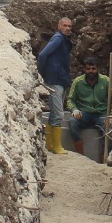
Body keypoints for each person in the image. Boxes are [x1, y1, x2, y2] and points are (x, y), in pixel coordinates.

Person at [36, 17, 74, 150]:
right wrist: (41, 73)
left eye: (70, 26)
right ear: (59, 26)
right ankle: (57, 146)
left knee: (54, 113)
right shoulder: (58, 39)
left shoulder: (65, 40)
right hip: (55, 79)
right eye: (65, 25)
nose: (68, 28)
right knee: (58, 113)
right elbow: (42, 55)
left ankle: (50, 145)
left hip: (61, 79)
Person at [66, 57, 112, 161]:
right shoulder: (77, 82)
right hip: (84, 113)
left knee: (109, 129)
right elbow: (70, 100)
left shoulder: (106, 81)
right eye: (88, 69)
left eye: (93, 69)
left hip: (101, 113)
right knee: (72, 122)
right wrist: (74, 109)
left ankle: (103, 158)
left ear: (98, 69)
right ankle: (81, 156)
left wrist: (111, 115)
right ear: (84, 69)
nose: (91, 71)